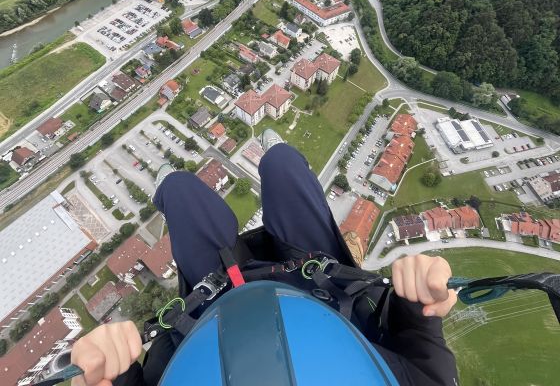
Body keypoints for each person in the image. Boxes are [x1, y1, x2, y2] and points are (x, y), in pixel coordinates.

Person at [71, 131, 459, 386]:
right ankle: (276, 155)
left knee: (182, 195)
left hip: (218, 304)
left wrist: (109, 371)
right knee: (282, 167)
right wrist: (418, 296)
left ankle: (171, 187)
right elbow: (421, 347)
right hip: (320, 288)